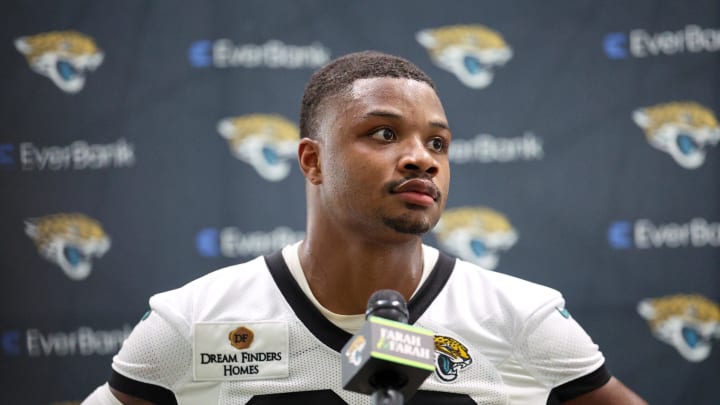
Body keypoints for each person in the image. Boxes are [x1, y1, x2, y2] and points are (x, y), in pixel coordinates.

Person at [82, 51, 648, 405]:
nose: (421, 159)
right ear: (312, 160)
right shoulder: (192, 321)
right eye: (383, 134)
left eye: (437, 143)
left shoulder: (523, 318)